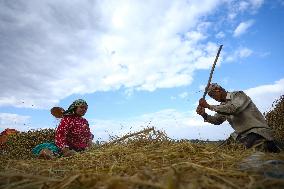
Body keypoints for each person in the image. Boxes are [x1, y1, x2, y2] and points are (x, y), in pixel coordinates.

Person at [196, 83, 280, 153]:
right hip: (240, 135)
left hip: (257, 131)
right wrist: (204, 115)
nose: (213, 98)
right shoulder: (222, 106)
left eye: (213, 95)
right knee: (219, 152)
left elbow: (234, 108)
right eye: (211, 96)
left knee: (241, 150)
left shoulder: (238, 95)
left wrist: (208, 106)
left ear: (218, 90)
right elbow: (217, 120)